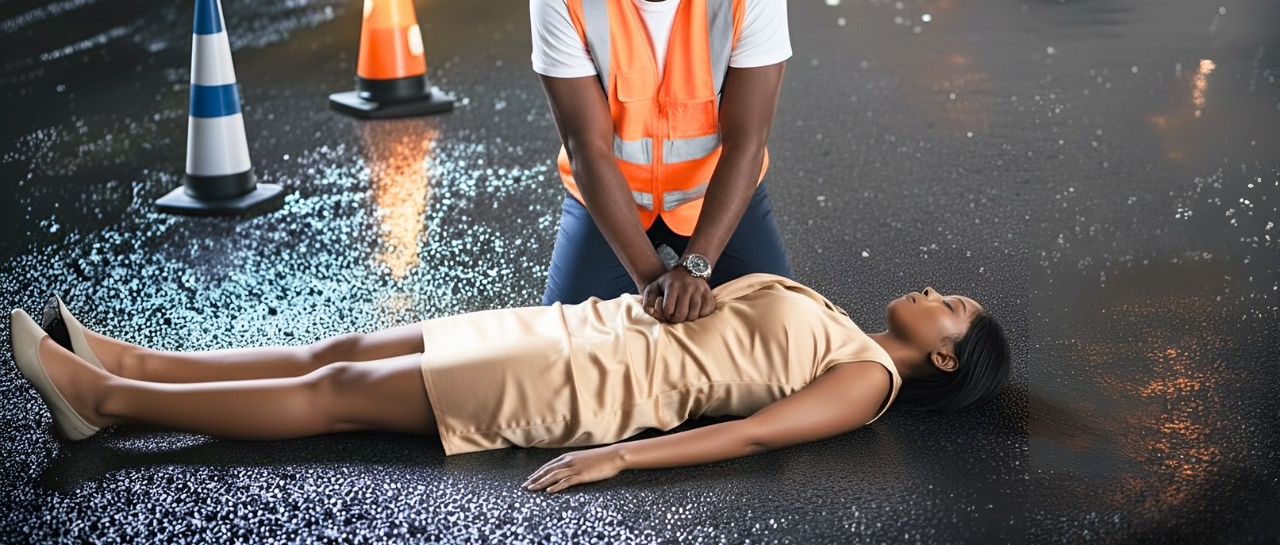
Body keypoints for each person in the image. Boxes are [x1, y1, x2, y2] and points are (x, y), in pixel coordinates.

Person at [10, 274, 1010, 493]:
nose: (937, 293)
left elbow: (757, 435)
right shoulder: (839, 316)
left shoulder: (868, 378)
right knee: (343, 347)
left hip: (584, 377)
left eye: (952, 309)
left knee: (343, 389)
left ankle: (105, 402)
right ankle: (130, 362)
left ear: (942, 361)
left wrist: (617, 456)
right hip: (574, 328)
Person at [531, 0, 793, 319]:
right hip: (611, 203)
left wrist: (695, 267)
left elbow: (746, 140)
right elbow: (587, 148)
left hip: (715, 196)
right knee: (563, 344)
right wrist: (652, 282)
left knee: (783, 327)